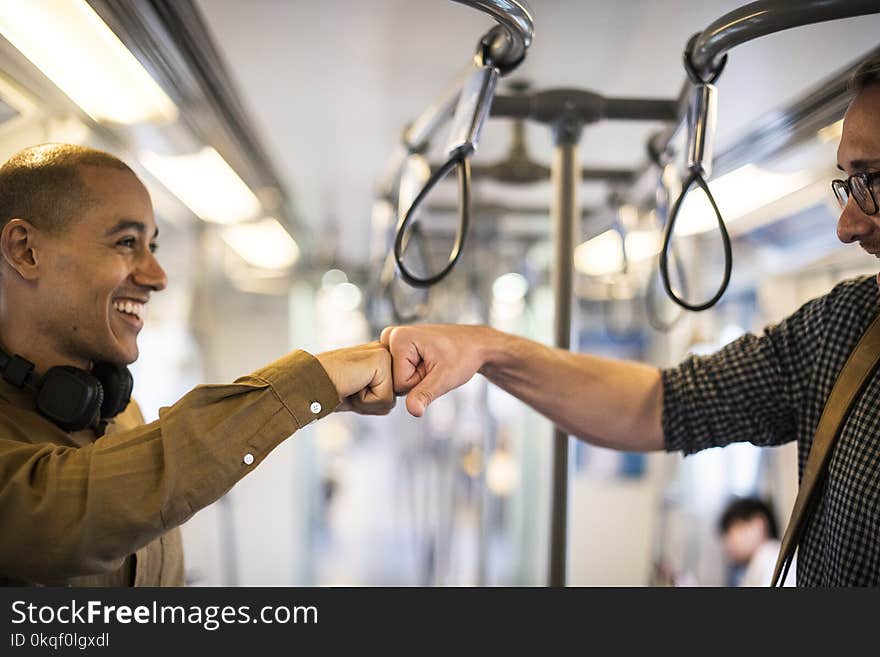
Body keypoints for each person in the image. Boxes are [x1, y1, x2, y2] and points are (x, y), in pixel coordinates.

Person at [380, 55, 880, 587]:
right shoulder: (845, 330)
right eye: (848, 184)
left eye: (870, 180)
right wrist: (485, 349)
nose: (846, 225)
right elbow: (661, 404)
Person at [0, 144, 395, 586]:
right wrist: (309, 382)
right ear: (26, 250)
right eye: (127, 243)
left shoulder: (116, 412)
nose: (157, 276)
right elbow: (65, 511)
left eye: (152, 245)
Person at [718, 497, 792, 587]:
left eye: (738, 528)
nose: (729, 541)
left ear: (759, 524)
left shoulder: (771, 557)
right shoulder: (756, 564)